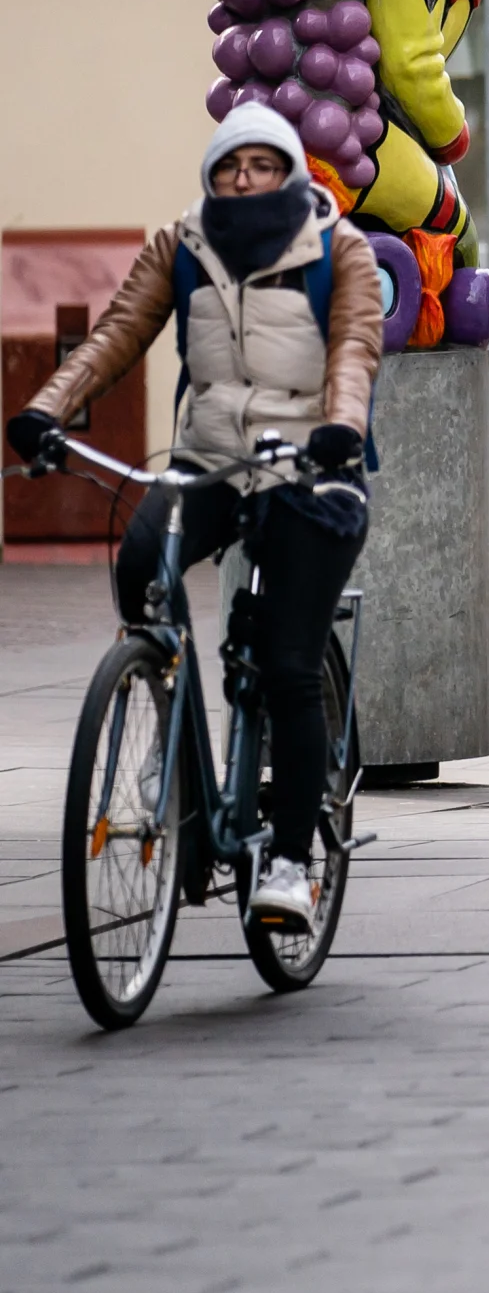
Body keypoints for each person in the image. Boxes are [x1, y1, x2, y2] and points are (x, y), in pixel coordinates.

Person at [10, 106, 377, 928]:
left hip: (310, 466)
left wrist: (341, 427)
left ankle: (289, 863)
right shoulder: (181, 245)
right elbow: (115, 334)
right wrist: (48, 408)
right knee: (142, 559)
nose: (243, 179)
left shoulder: (336, 247)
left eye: (261, 164)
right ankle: (168, 715)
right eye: (228, 166)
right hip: (211, 457)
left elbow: (355, 347)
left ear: (290, 171)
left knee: (286, 661)